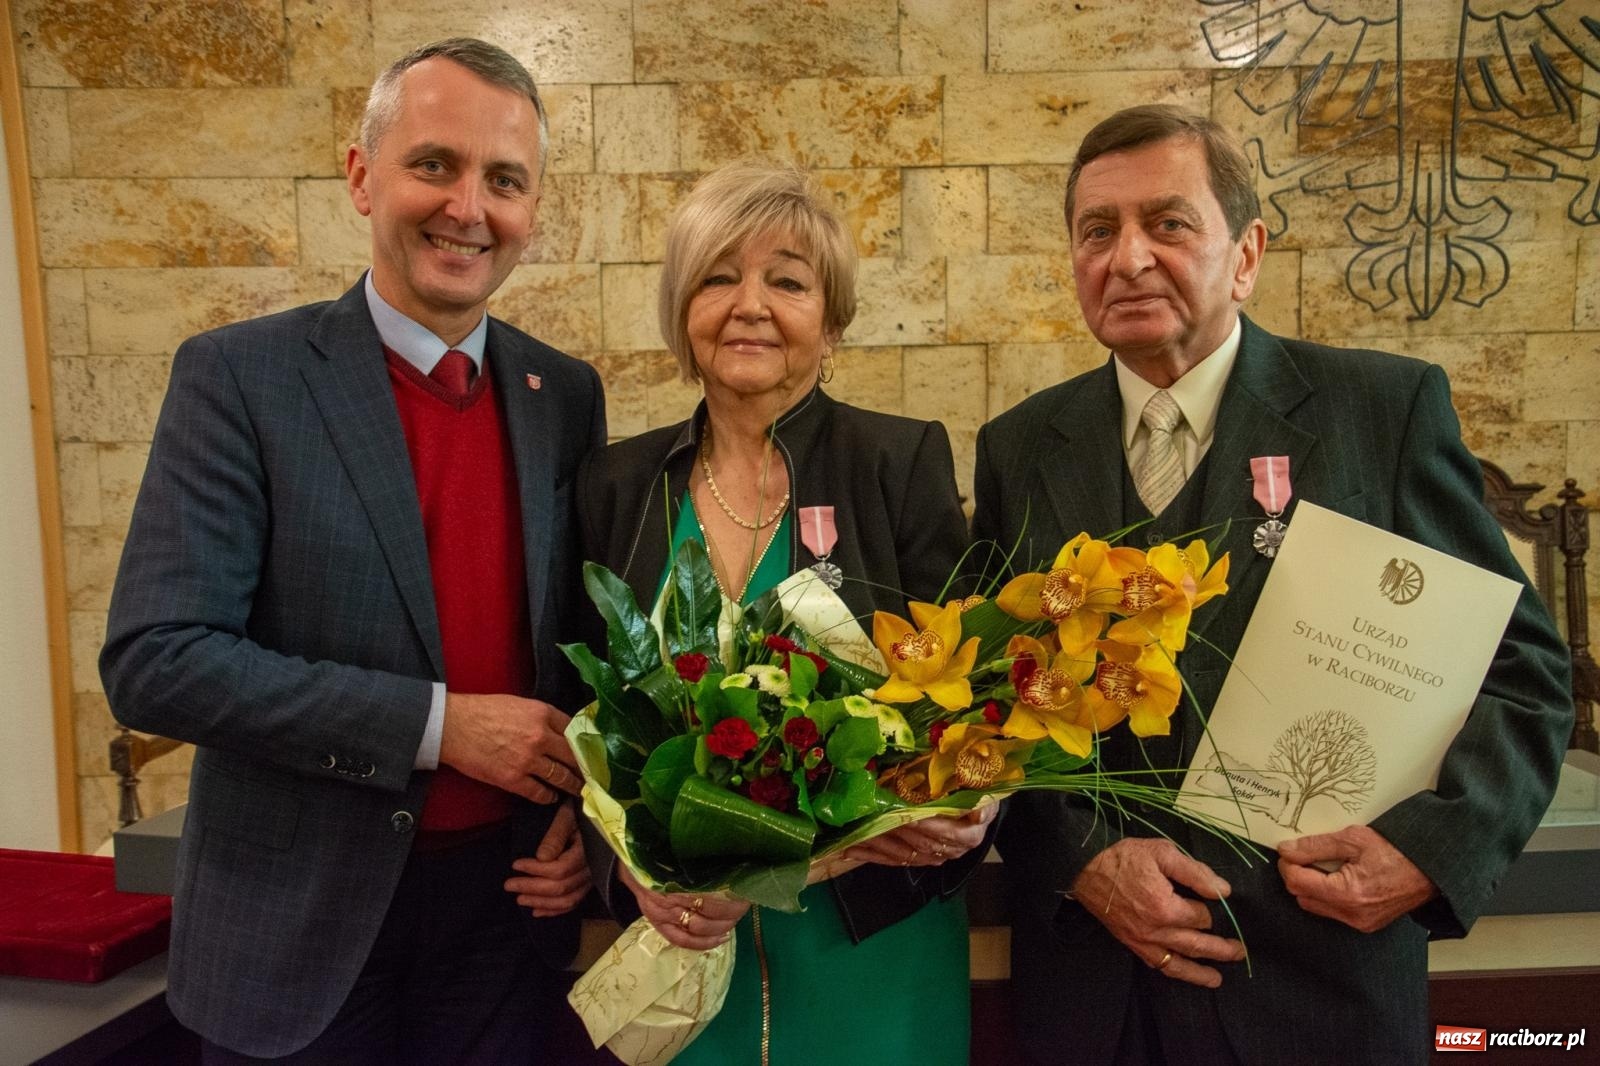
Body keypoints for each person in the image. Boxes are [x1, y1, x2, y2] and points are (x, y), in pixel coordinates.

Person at [973, 105, 1574, 1065]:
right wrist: (1082, 863)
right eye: (1097, 231)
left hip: (1319, 985)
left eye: (1168, 223)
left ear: (1246, 255)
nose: (1128, 257)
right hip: (1097, 997)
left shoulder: (1382, 412)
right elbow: (991, 702)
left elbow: (1524, 673)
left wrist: (1431, 850)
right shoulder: (1018, 448)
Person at [99, 38, 605, 1063]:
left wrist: (585, 818)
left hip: (504, 923)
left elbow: (581, 642)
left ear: (533, 209)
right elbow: (157, 659)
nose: (469, 207)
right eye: (435, 164)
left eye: (505, 180)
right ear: (362, 175)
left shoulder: (565, 394)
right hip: (294, 930)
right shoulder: (240, 379)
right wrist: (438, 727)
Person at [574, 159, 995, 1064]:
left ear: (831, 321)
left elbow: (968, 693)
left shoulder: (898, 464)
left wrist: (966, 804)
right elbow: (580, 716)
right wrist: (629, 872)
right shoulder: (618, 484)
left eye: (788, 282)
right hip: (687, 940)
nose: (750, 305)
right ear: (682, 312)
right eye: (718, 278)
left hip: (864, 939)